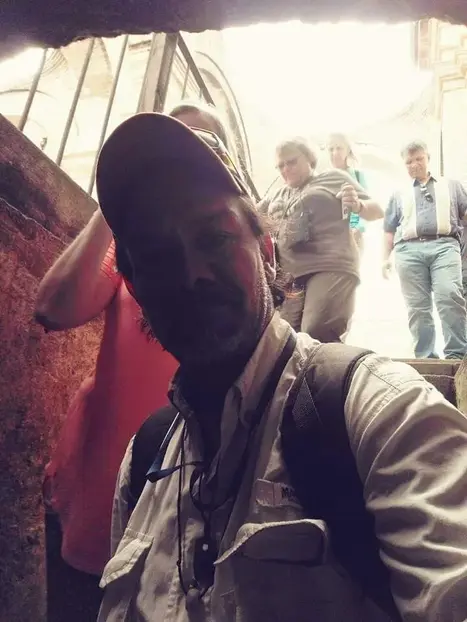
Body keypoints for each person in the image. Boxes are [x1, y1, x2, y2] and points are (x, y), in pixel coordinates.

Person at [97, 113, 467, 622]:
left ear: (267, 250)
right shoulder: (143, 461)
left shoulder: (382, 414)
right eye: (158, 257)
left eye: (214, 238)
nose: (191, 274)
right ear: (136, 289)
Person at [35, 102, 230, 620]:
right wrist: (118, 196)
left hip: (191, 506)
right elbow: (53, 308)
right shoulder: (129, 253)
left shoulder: (233, 258)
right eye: (163, 148)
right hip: (99, 498)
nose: (173, 162)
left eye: (197, 145)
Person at [259, 137, 383, 343]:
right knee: (286, 338)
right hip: (290, 276)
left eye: (292, 162)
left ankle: (331, 362)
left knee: (316, 330)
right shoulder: (277, 194)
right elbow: (250, 216)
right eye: (281, 165)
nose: (286, 169)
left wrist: (358, 205)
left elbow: (377, 211)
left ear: (309, 158)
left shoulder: (333, 178)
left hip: (329, 265)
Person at [382, 140, 467, 359]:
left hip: (445, 246)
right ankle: (426, 357)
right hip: (408, 251)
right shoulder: (398, 193)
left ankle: (458, 356)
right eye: (408, 161)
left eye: (419, 158)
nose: (414, 164)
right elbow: (389, 229)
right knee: (417, 306)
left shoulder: (451, 185)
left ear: (428, 157)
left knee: (449, 294)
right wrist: (384, 259)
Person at [327, 132, 368, 252]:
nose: (335, 153)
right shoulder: (324, 177)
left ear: (348, 150)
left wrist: (357, 228)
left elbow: (367, 206)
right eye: (331, 149)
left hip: (354, 236)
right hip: (330, 239)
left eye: (339, 148)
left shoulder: (357, 176)